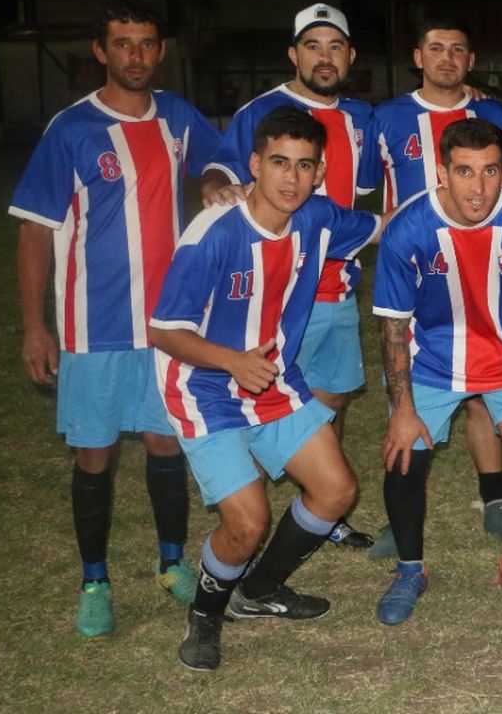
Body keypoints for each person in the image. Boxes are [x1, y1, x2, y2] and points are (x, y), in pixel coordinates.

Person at [10, 0, 232, 638]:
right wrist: (34, 326)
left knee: (167, 444)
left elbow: (219, 158)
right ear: (100, 52)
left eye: (146, 43)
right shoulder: (72, 130)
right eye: (122, 43)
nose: (135, 55)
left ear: (161, 52)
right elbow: (33, 233)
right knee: (94, 456)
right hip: (93, 325)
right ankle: (95, 581)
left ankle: (169, 564)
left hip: (168, 324)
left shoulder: (179, 118)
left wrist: (212, 177)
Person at [149, 106, 383, 671]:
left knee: (335, 491)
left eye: (305, 165)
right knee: (247, 521)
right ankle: (206, 614)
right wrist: (232, 362)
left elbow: (385, 223)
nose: (291, 178)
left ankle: (260, 591)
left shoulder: (319, 219)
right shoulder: (213, 232)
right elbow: (162, 329)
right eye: (279, 162)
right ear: (254, 165)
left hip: (273, 380)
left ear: (319, 172)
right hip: (203, 386)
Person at [199, 3, 380, 550]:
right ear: (293, 54)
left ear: (349, 56)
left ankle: (322, 507)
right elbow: (219, 170)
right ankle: (247, 504)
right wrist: (213, 185)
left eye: (334, 47)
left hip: (337, 286)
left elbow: (363, 198)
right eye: (312, 46)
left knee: (331, 398)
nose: (324, 58)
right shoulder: (262, 110)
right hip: (272, 296)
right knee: (257, 402)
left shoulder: (360, 119)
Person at [372, 119, 502, 621]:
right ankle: (410, 569)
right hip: (431, 363)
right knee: (402, 456)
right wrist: (403, 408)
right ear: (441, 172)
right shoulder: (408, 229)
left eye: (489, 171)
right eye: (463, 171)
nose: (477, 187)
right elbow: (394, 329)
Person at [369, 18, 502, 546]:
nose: (447, 58)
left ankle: (495, 495)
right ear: (417, 56)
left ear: (471, 61)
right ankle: (401, 512)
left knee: (482, 388)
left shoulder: (493, 115)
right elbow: (369, 189)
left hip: (481, 272)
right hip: (414, 278)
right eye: (436, 49)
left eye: (458, 49)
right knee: (407, 385)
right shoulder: (386, 117)